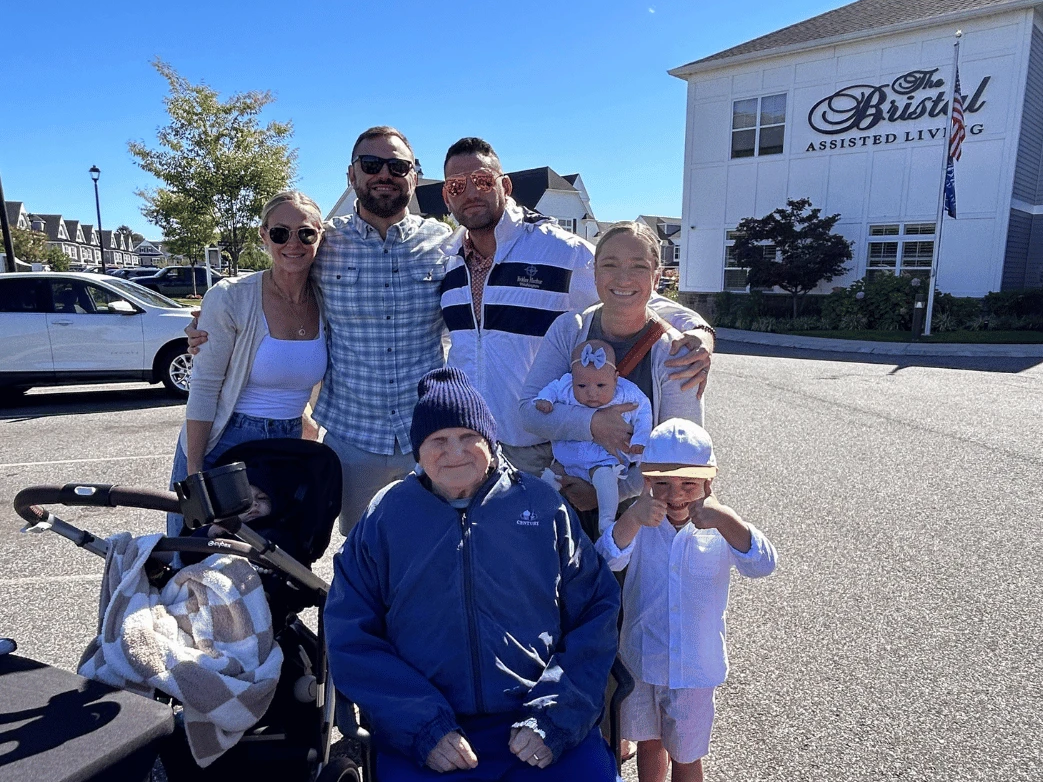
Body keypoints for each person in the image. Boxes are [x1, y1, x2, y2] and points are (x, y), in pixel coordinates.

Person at [324, 367, 652, 782]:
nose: (452, 452)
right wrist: (424, 727)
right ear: (418, 452)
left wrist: (556, 715)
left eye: (465, 437)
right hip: (431, 737)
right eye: (436, 442)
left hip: (541, 725)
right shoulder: (385, 519)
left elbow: (597, 612)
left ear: (491, 440)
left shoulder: (542, 506)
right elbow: (348, 635)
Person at [187, 127, 453, 535]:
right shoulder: (325, 241)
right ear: (352, 175)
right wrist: (209, 318)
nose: (385, 173)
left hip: (426, 434)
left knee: (432, 543)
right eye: (371, 164)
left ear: (414, 176)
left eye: (397, 166)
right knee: (359, 552)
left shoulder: (446, 244)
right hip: (351, 437)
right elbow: (274, 279)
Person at [438, 137, 714, 480]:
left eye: (481, 181)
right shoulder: (448, 264)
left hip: (539, 449)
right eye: (457, 185)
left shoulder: (557, 250)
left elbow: (627, 289)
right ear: (447, 195)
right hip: (471, 445)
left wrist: (699, 329)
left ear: (504, 186)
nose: (470, 193)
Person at [596, 418, 777, 782]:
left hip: (695, 668)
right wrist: (632, 517)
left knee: (688, 751)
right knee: (650, 741)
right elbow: (603, 561)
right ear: (644, 482)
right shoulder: (640, 521)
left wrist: (726, 519)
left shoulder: (719, 527)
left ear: (709, 483)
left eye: (688, 484)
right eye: (662, 484)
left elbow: (763, 563)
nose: (675, 496)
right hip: (643, 660)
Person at [519, 220, 706, 516]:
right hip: (563, 496)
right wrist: (592, 424)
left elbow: (679, 446)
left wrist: (611, 492)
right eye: (610, 265)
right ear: (594, 273)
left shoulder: (674, 353)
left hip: (641, 512)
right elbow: (529, 412)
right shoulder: (570, 329)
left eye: (638, 267)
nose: (623, 278)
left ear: (657, 277)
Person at [167, 190, 327, 534]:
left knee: (276, 558)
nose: (293, 243)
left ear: (319, 236)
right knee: (197, 558)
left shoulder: (328, 299)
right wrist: (194, 472)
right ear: (263, 235)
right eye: (280, 233)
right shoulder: (231, 296)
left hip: (286, 447)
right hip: (224, 441)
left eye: (306, 233)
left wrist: (306, 422)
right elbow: (205, 388)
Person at [535, 340, 652, 534]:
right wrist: (545, 399)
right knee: (549, 478)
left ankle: (606, 521)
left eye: (600, 385)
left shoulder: (627, 394)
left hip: (602, 459)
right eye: (581, 385)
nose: (591, 393)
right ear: (571, 378)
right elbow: (552, 388)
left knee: (606, 483)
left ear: (616, 378)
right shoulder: (565, 386)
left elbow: (644, 414)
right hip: (567, 456)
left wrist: (640, 439)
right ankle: (537, 512)